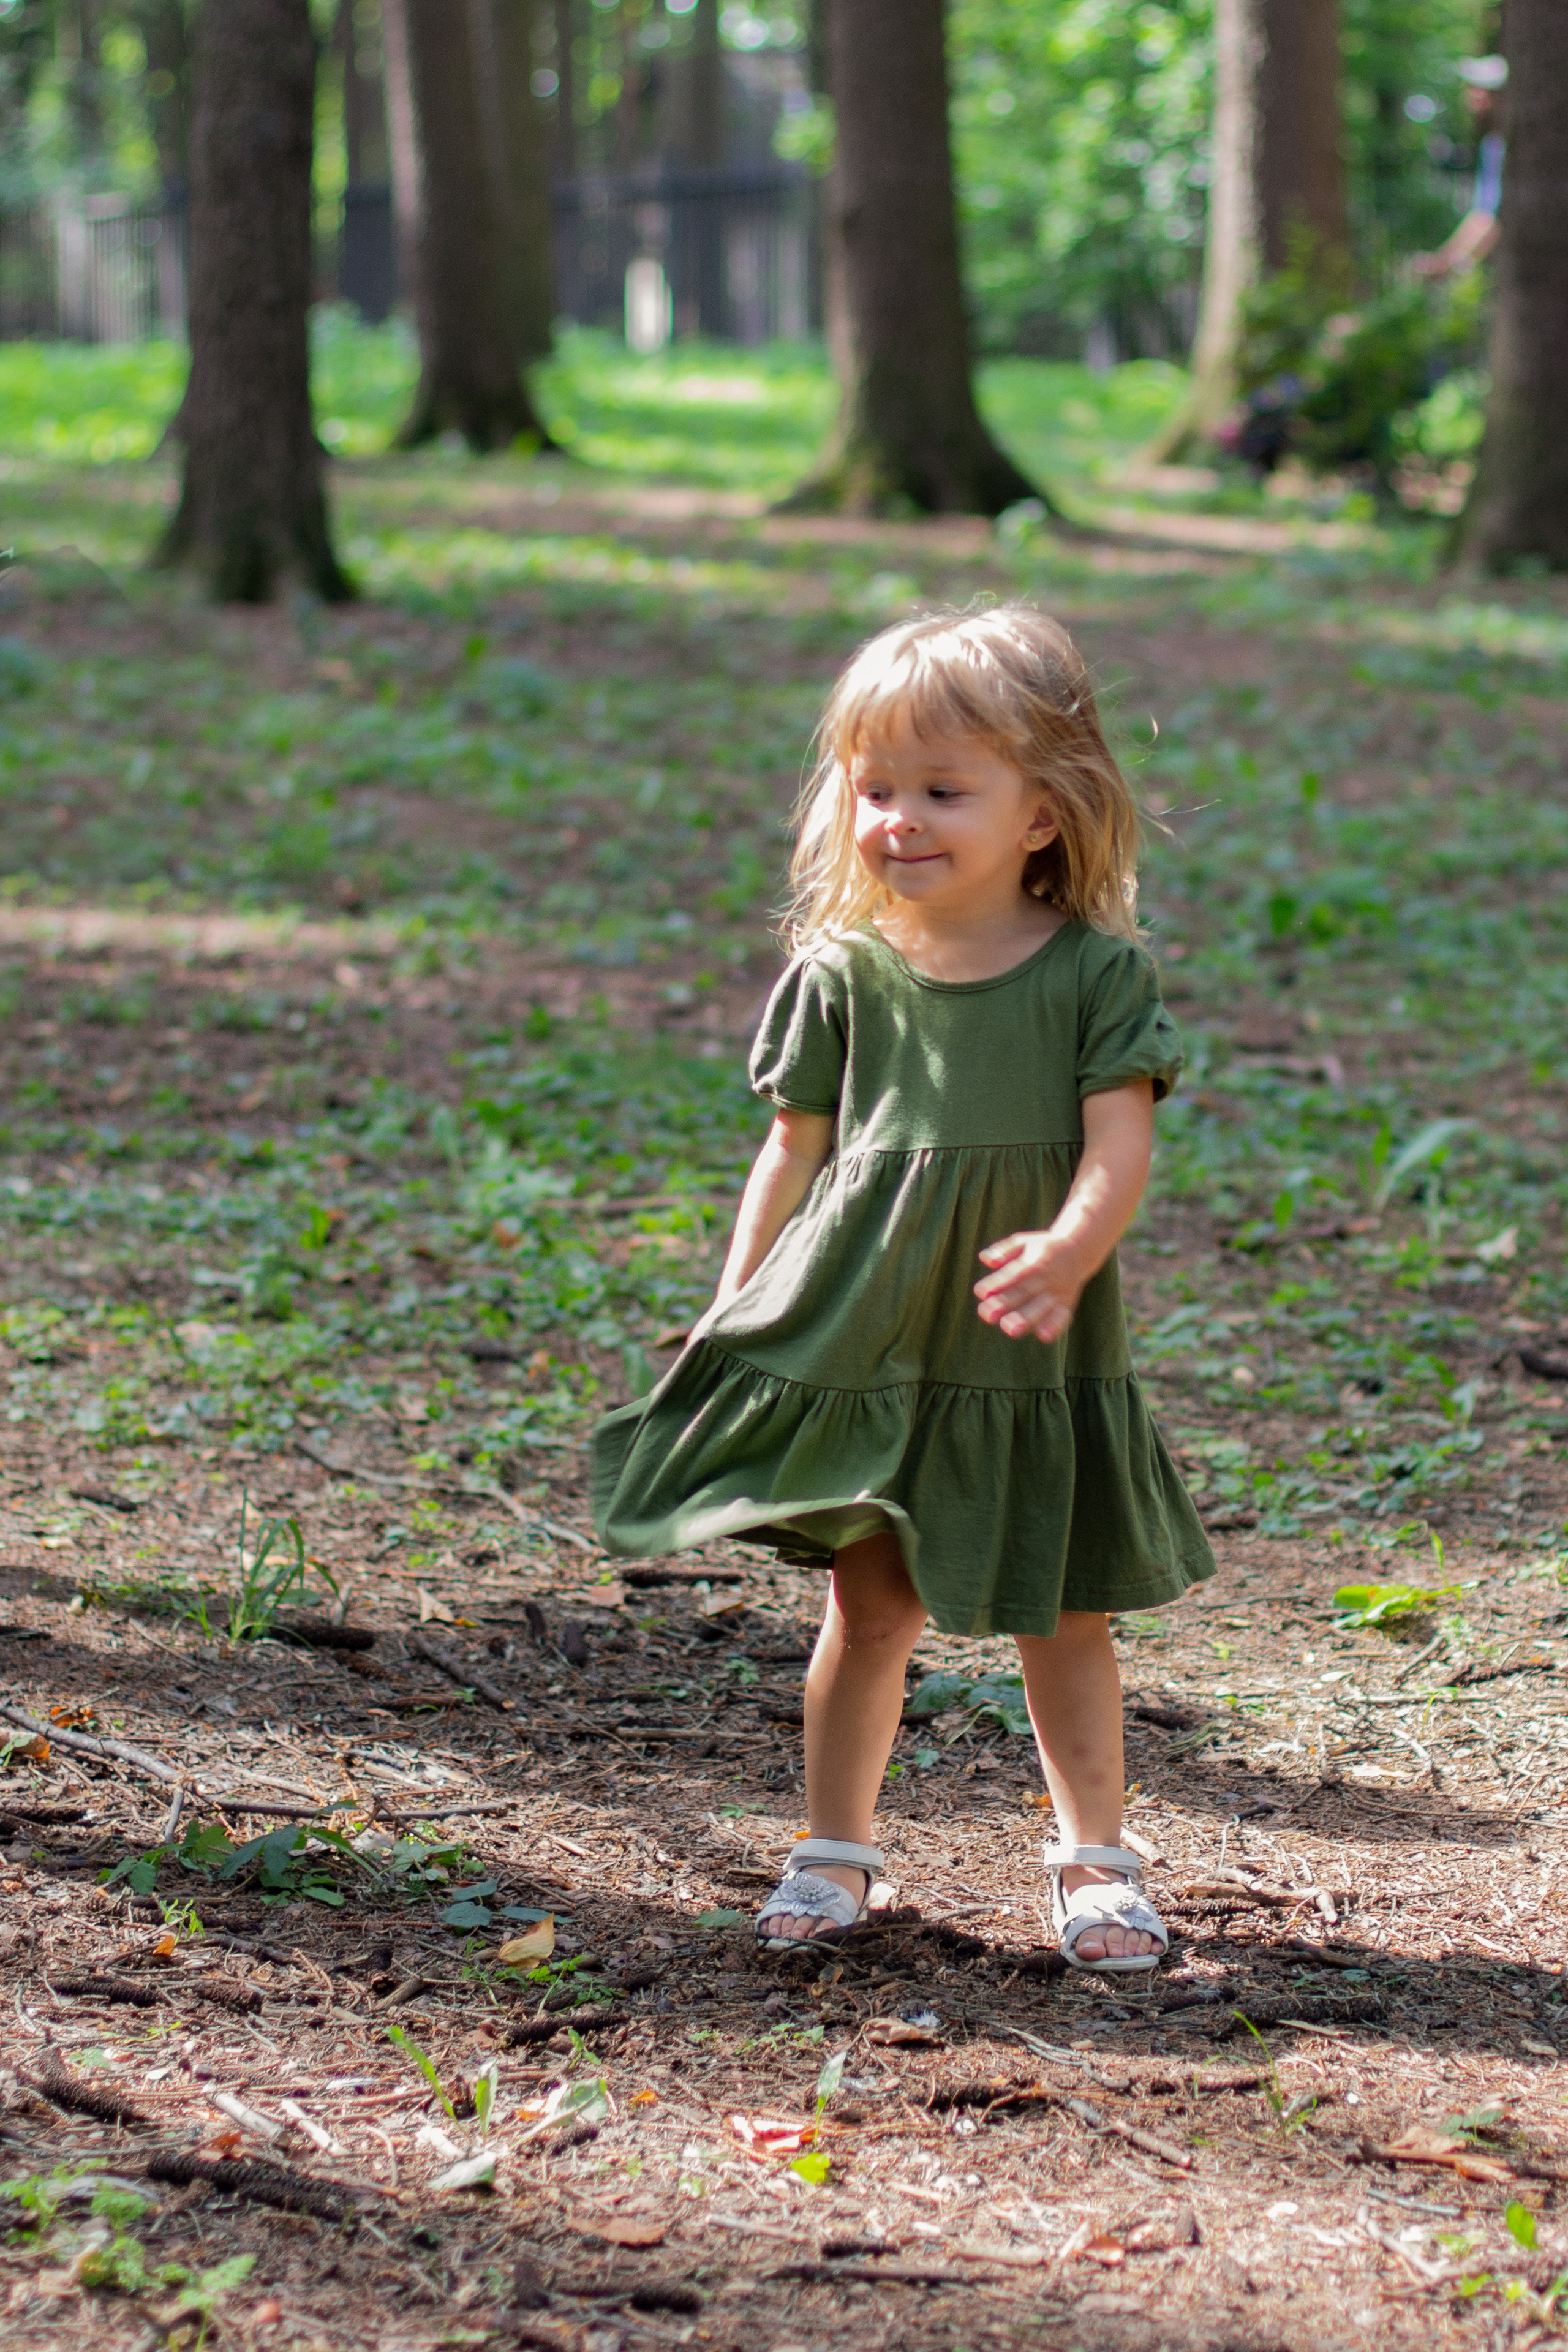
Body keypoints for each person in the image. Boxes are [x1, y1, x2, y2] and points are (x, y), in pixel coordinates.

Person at [592, 605, 1215, 1973]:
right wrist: (734, 1300)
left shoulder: (1096, 976)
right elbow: (791, 1149)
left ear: (1043, 815)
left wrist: (1067, 1248)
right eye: (874, 787)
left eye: (943, 788)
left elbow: (1121, 1142)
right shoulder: (844, 976)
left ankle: (1094, 1861)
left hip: (1024, 1351)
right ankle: (830, 1849)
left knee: (1060, 1606)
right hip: (873, 1338)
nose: (898, 818)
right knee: (870, 1607)